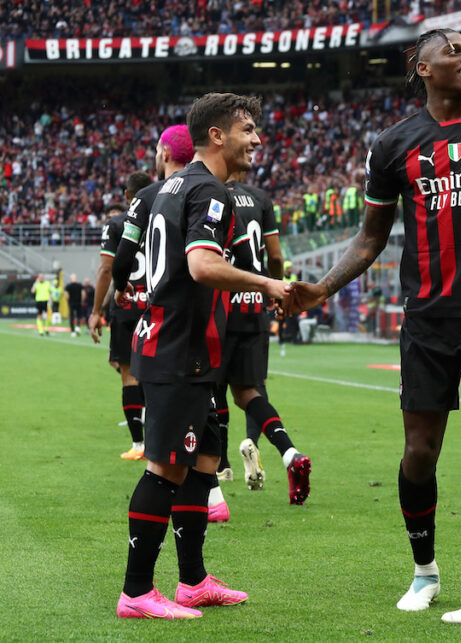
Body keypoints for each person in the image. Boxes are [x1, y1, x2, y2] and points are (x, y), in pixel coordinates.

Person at [280, 29, 461, 625]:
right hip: (426, 320)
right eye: (456, 51)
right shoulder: (393, 145)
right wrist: (322, 289)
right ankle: (424, 573)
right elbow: (369, 238)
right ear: (421, 67)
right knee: (420, 451)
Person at [114, 93, 291, 619]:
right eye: (247, 130)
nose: (257, 139)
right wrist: (267, 284)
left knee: (204, 462)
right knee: (166, 469)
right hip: (178, 350)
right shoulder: (210, 191)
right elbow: (200, 266)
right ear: (217, 135)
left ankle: (191, 581)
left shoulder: (167, 186)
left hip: (192, 347)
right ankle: (137, 591)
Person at [220, 171, 311, 505]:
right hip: (255, 304)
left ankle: (220, 468)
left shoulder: (209, 192)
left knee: (209, 387)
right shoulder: (260, 198)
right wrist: (274, 291)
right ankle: (289, 453)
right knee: (248, 391)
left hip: (221, 304)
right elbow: (274, 257)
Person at [95, 169, 161, 460]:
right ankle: (158, 440)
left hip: (126, 307)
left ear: (127, 196)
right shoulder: (164, 217)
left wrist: (96, 310)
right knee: (157, 375)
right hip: (156, 307)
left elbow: (107, 269)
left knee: (128, 377)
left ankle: (138, 446)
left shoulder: (117, 223)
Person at [278, 261, 298, 355]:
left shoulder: (294, 277)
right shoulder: (281, 278)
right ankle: (281, 339)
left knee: (294, 321)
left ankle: (294, 339)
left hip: (292, 303)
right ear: (286, 269)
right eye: (289, 267)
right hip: (282, 302)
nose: (291, 269)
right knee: (281, 321)